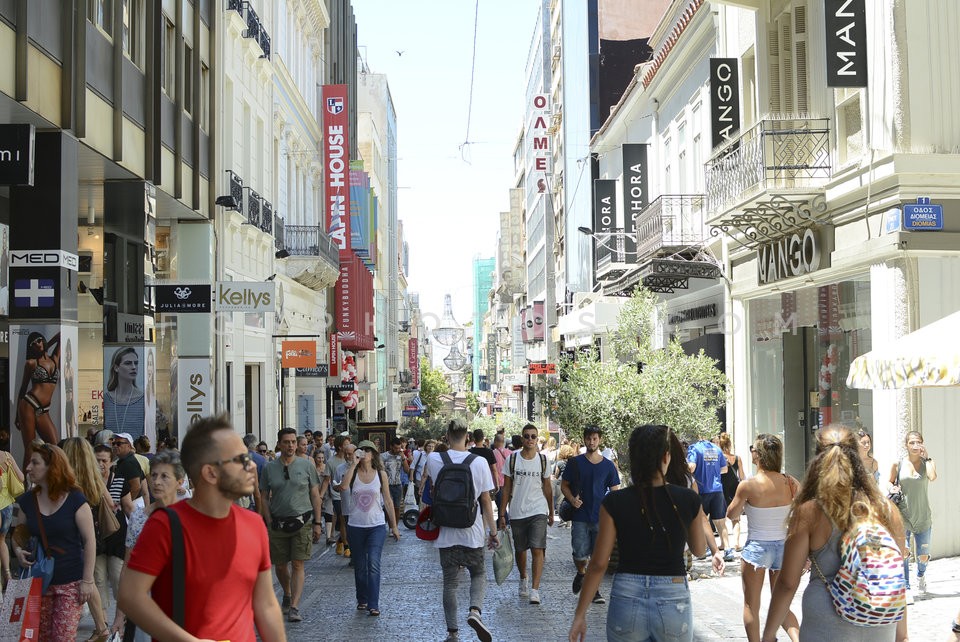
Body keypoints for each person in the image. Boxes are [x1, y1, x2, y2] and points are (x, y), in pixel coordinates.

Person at [118, 413, 286, 641]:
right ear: (210, 473)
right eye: (241, 459)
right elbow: (130, 596)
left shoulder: (254, 524)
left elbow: (266, 605)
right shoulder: (164, 525)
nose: (252, 466)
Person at [761, 425, 908, 642]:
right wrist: (902, 635)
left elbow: (787, 583)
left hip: (825, 621)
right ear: (857, 458)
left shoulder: (810, 511)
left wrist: (768, 635)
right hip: (878, 620)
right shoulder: (887, 509)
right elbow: (895, 574)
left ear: (817, 460)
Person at [568, 425, 709, 642]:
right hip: (672, 593)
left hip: (627, 593)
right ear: (666, 457)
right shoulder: (688, 499)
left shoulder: (614, 502)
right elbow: (699, 550)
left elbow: (598, 564)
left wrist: (580, 614)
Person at [12, 443, 96, 641]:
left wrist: (87, 581)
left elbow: (90, 541)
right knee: (40, 637)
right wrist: (18, 551)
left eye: (35, 463)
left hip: (70, 582)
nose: (28, 468)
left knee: (62, 637)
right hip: (37, 583)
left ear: (52, 466)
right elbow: (18, 535)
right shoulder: (26, 501)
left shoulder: (75, 499)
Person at [425, 419, 498, 642]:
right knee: (478, 573)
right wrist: (493, 532)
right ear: (468, 437)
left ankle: (452, 633)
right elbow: (485, 501)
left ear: (447, 435)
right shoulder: (479, 462)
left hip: (446, 533)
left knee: (450, 583)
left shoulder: (434, 459)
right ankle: (475, 611)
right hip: (471, 532)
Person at [726, 434, 801, 642]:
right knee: (782, 604)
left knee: (751, 604)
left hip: (757, 548)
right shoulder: (790, 482)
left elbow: (731, 514)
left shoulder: (748, 485)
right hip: (783, 548)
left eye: (753, 449)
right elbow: (803, 511)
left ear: (758, 455)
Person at [114, 449, 186, 640]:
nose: (157, 481)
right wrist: (120, 615)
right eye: (153, 475)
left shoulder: (190, 516)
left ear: (180, 481)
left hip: (183, 600)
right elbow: (127, 567)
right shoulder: (139, 517)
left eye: (164, 476)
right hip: (146, 603)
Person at [260, 427, 325, 622]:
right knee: (280, 566)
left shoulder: (306, 465)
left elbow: (315, 495)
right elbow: (263, 497)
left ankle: (295, 606)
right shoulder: (269, 468)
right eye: (286, 442)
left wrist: (317, 522)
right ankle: (287, 593)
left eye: (293, 442)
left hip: (302, 521)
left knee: (298, 563)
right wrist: (268, 521)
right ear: (279, 444)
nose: (290, 445)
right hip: (277, 522)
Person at [60, 437, 116, 642]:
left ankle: (101, 627)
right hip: (91, 532)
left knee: (86, 579)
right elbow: (110, 503)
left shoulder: (68, 482)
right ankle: (101, 627)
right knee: (88, 578)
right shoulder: (93, 477)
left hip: (72, 535)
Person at [340, 440, 401, 616]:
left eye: (368, 450)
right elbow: (343, 487)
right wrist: (354, 464)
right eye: (362, 450)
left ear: (374, 454)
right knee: (360, 566)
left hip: (376, 525)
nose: (364, 453)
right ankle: (362, 599)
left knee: (373, 563)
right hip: (356, 526)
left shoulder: (381, 474)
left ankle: (373, 604)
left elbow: (388, 500)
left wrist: (394, 526)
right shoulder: (352, 473)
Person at [561, 425, 621, 604]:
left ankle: (595, 590)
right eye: (588, 438)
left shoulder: (608, 466)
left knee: (598, 558)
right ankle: (581, 573)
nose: (592, 442)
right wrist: (572, 499)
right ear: (584, 439)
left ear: (600, 440)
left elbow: (615, 491)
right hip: (580, 516)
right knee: (579, 555)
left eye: (595, 438)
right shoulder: (575, 463)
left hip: (601, 518)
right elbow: (564, 485)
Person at [498, 423, 553, 605]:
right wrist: (502, 514)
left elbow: (547, 487)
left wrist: (551, 511)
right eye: (527, 436)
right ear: (522, 439)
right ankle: (523, 577)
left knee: (537, 548)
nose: (530, 439)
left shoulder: (543, 460)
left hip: (538, 510)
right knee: (520, 549)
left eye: (533, 436)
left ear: (537, 439)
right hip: (517, 511)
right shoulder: (512, 459)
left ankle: (535, 590)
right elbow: (506, 488)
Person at [665, 432, 725, 577]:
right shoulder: (687, 480)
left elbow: (701, 515)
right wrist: (715, 551)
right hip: (678, 553)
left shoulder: (637, 485)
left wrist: (715, 551)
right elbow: (699, 548)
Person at [888, 430, 936, 602]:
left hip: (923, 516)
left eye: (918, 442)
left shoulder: (928, 463)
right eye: (912, 442)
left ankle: (921, 575)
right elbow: (889, 481)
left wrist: (927, 458)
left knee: (923, 555)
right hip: (903, 515)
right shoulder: (898, 464)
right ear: (906, 445)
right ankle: (906, 588)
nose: (915, 445)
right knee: (904, 552)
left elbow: (932, 477)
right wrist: (892, 487)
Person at [14, 331, 62, 462]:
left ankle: (49, 475)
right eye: (33, 343)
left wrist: (46, 346)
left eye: (39, 340)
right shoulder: (31, 363)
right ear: (31, 348)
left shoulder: (54, 358)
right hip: (29, 404)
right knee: (30, 449)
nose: (37, 344)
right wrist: (17, 415)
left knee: (55, 448)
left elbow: (60, 335)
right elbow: (23, 388)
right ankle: (26, 476)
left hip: (44, 410)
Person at [687, 435, 734, 562]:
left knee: (702, 520)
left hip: (701, 490)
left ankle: (706, 548)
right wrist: (712, 471)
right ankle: (728, 549)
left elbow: (691, 467)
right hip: (717, 489)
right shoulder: (716, 449)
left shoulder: (694, 448)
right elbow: (724, 469)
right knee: (720, 522)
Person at [104, 348, 146, 440]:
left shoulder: (144, 400)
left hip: (135, 448)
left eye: (136, 363)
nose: (133, 367)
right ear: (116, 368)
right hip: (110, 448)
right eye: (128, 363)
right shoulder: (106, 399)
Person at [0, 448, 25, 585]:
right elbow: (21, 478)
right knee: (2, 541)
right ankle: (8, 574)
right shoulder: (6, 455)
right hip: (7, 507)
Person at [718, 431, 745, 550]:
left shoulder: (720, 458)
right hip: (735, 489)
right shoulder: (737, 458)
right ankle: (737, 543)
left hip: (721, 489)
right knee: (736, 518)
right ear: (730, 444)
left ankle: (724, 543)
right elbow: (742, 476)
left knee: (721, 518)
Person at [327, 434, 351, 555]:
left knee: (349, 521)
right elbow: (329, 480)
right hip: (338, 495)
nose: (348, 446)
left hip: (350, 496)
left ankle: (341, 539)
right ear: (340, 447)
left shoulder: (353, 460)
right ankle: (346, 545)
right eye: (346, 444)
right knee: (342, 519)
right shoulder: (332, 462)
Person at [111, 432, 147, 510]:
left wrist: (126, 504)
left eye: (119, 443)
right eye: (113, 443)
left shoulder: (129, 462)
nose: (115, 446)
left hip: (132, 506)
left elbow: (136, 487)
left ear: (129, 445)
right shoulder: (124, 461)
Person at [382, 436, 411, 527]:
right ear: (391, 446)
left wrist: (403, 458)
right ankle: (390, 526)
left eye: (399, 448)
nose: (398, 450)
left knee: (397, 507)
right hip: (387, 485)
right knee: (388, 507)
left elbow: (407, 470)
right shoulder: (383, 456)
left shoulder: (401, 456)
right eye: (396, 448)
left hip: (398, 484)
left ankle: (395, 527)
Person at [312, 449, 334, 544]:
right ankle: (315, 535)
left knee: (329, 513)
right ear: (315, 458)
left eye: (322, 458)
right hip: (315, 493)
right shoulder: (312, 468)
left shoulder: (326, 467)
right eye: (318, 458)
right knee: (316, 514)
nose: (320, 460)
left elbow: (330, 479)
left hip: (327, 493)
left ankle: (328, 537)